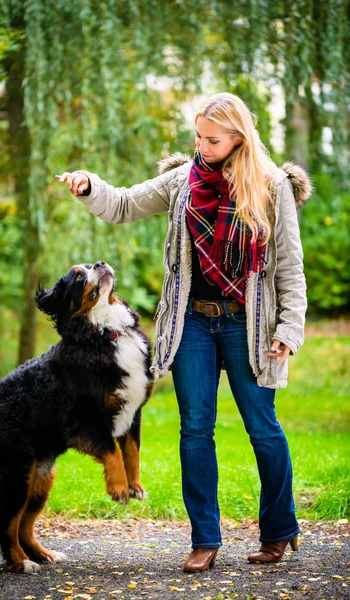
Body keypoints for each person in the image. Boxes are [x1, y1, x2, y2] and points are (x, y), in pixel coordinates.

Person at [56, 92, 312, 572]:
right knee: (195, 427)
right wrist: (91, 185)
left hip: (249, 324)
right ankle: (205, 540)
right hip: (193, 319)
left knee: (262, 426)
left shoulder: (272, 185)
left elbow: (291, 271)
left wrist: (289, 329)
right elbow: (126, 203)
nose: (202, 145)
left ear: (240, 138)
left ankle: (279, 530)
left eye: (211, 138)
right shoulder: (182, 179)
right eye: (198, 135)